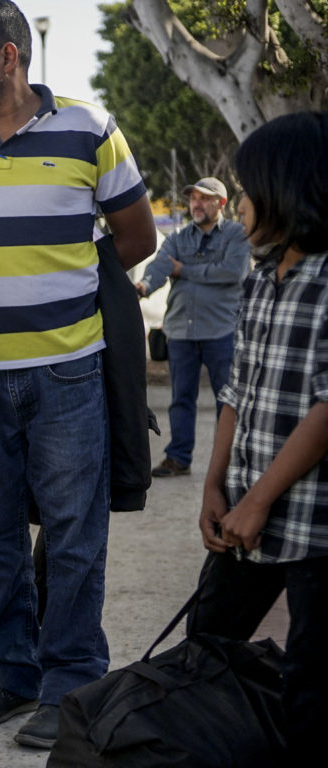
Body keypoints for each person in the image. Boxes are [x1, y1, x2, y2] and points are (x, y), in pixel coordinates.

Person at [0, 0, 157, 750]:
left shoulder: (89, 129)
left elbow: (137, 235)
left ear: (9, 57)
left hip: (68, 373)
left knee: (74, 533)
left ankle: (71, 682)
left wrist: (63, 291)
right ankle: (11, 673)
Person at [190, 111, 328, 764]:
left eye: (246, 191)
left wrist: (258, 500)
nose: (239, 205)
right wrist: (216, 486)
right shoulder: (260, 274)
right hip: (244, 510)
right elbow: (235, 391)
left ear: (286, 188)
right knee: (204, 645)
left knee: (311, 682)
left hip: (312, 525)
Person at [135, 176, 250, 478]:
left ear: (220, 203)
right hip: (181, 332)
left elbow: (231, 272)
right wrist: (144, 286)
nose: (196, 204)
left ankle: (229, 462)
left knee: (227, 400)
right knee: (180, 399)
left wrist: (183, 269)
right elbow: (161, 265)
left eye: (204, 198)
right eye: (193, 198)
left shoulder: (237, 235)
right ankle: (178, 459)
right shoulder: (178, 237)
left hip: (221, 331)